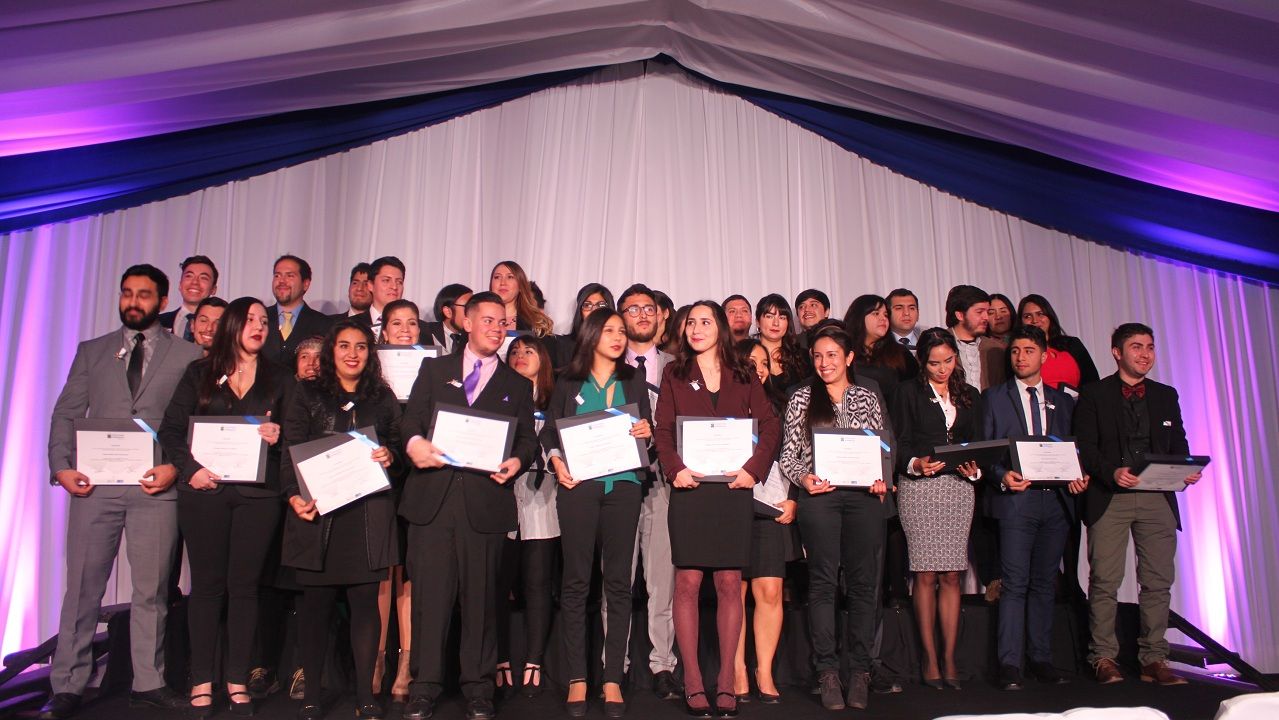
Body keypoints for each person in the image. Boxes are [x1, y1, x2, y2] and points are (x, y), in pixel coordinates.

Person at [40, 265, 202, 720]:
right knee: (82, 589)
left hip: (155, 487)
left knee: (152, 591)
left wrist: (176, 467)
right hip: (94, 488)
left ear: (163, 301)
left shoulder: (188, 354)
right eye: (127, 293)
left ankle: (148, 682)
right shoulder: (92, 351)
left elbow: (195, 421)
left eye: (144, 294)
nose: (133, 302)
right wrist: (61, 467)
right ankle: (67, 685)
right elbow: (65, 413)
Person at [398, 291, 540, 720]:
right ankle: (424, 685)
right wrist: (414, 443)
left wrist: (517, 461)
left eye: (503, 323)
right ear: (468, 323)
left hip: (485, 503)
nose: (497, 329)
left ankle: (479, 687)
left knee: (482, 601)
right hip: (433, 500)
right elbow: (411, 420)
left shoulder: (517, 384)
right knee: (430, 599)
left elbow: (527, 440)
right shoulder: (434, 369)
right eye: (489, 320)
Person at [158, 297, 292, 716]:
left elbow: (295, 436)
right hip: (205, 493)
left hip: (258, 497)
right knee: (206, 587)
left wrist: (278, 436)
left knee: (245, 588)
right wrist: (190, 470)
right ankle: (201, 680)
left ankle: (237, 680)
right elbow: (171, 430)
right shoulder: (199, 372)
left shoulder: (280, 377)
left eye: (264, 321)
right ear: (232, 324)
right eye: (250, 319)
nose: (259, 326)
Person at [653, 301, 781, 718]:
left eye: (705, 322)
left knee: (729, 582)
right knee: (687, 583)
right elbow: (663, 430)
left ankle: (726, 681)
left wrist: (752, 470)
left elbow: (771, 426)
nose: (696, 328)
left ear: (721, 328)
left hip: (732, 490)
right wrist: (674, 469)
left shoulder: (744, 373)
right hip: (690, 490)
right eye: (691, 322)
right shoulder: (674, 373)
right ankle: (693, 681)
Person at [280, 322, 404, 720]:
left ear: (370, 353)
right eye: (345, 346)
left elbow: (399, 445)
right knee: (315, 608)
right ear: (331, 351)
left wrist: (390, 456)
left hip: (367, 516)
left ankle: (365, 695)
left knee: (366, 606)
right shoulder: (308, 392)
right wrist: (293, 496)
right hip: (318, 514)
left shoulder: (382, 396)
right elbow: (290, 449)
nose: (353, 354)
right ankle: (313, 694)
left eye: (361, 347)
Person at [1074, 323, 1202, 686]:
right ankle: (1103, 657)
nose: (1145, 354)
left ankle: (1154, 658)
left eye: (1149, 347)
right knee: (1105, 580)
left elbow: (1178, 441)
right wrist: (1111, 472)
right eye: (1136, 347)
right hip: (1110, 497)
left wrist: (1185, 469)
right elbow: (1086, 446)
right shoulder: (1095, 394)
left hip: (1157, 498)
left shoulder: (1166, 394)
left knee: (1158, 580)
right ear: (1117, 352)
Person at [543, 309, 655, 718]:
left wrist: (646, 432)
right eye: (609, 330)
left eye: (622, 331)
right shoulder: (568, 380)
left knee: (619, 584)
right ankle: (577, 677)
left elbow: (647, 431)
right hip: (578, 488)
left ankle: (611, 679)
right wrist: (557, 461)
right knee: (575, 583)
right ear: (591, 334)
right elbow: (549, 431)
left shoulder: (634, 379)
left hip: (623, 487)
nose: (618, 337)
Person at [779, 324, 893, 710]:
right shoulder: (801, 398)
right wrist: (804, 478)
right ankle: (827, 671)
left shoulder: (867, 397)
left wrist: (880, 478)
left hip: (863, 499)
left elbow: (881, 448)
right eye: (817, 356)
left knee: (862, 585)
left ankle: (859, 671)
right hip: (820, 499)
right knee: (823, 584)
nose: (824, 362)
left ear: (849, 358)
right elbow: (788, 455)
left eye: (832, 355)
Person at [982, 325, 1087, 690]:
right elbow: (986, 450)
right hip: (1017, 500)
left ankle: (1040, 659)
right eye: (1015, 351)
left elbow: (1074, 449)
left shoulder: (1065, 400)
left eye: (1028, 351)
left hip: (1056, 502)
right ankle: (1010, 664)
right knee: (1014, 583)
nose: (1020, 357)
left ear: (1044, 355)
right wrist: (1002, 475)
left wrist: (1079, 475)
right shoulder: (994, 397)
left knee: (1044, 583)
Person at [893, 328, 982, 691]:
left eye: (948, 361)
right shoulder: (907, 393)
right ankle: (929, 659)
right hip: (920, 489)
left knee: (952, 574)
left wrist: (975, 469)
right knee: (926, 574)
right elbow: (898, 443)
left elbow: (979, 442)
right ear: (922, 362)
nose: (942, 369)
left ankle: (949, 658)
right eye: (934, 363)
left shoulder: (970, 394)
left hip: (958, 490)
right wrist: (915, 464)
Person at [614, 284, 682, 700]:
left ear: (660, 316)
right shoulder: (605, 363)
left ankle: (663, 665)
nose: (641, 314)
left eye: (648, 308)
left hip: (662, 483)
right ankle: (614, 666)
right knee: (617, 581)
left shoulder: (678, 366)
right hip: (617, 483)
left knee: (662, 581)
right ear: (619, 317)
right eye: (632, 308)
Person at [731, 338, 797, 705]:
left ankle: (765, 670)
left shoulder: (784, 406)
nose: (758, 369)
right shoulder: (719, 405)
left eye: (764, 363)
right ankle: (738, 668)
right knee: (734, 592)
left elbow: (799, 455)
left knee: (770, 591)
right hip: (731, 504)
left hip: (772, 504)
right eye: (750, 362)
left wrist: (795, 498)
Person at [494, 336, 558, 699]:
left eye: (528, 351)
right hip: (502, 496)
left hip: (542, 497)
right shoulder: (498, 397)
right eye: (514, 351)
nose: (520, 355)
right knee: (499, 583)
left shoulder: (555, 400)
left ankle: (535, 659)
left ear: (543, 360)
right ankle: (500, 657)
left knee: (538, 582)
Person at [371, 299, 421, 702]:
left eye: (412, 324)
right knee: (382, 570)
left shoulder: (435, 373)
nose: (405, 330)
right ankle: (377, 658)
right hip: (377, 481)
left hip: (418, 481)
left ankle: (406, 661)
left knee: (409, 571)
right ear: (383, 332)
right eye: (397, 324)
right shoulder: (370, 379)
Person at [1015, 294, 1100, 391]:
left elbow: (1093, 382)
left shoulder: (1072, 344)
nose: (1035, 320)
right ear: (1021, 321)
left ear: (1049, 316)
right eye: (1027, 316)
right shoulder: (1016, 352)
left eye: (1040, 314)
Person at [262, 255, 333, 365]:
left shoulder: (324, 325)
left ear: (305, 284)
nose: (281, 281)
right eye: (277, 275)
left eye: (290, 276)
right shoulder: (259, 320)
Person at [845, 294, 919, 400]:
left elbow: (915, 391)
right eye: (876, 313)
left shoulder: (900, 353)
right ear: (859, 317)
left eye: (885, 315)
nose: (883, 319)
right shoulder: (843, 351)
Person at [944, 285, 1005, 391]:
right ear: (960, 315)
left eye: (987, 312)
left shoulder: (996, 349)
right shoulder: (937, 343)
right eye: (979, 312)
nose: (986, 317)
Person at [753, 293, 810, 394]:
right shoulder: (746, 356)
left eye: (782, 318)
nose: (776, 323)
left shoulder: (803, 357)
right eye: (769, 316)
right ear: (758, 322)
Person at [159, 255, 219, 341]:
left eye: (203, 278)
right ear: (180, 285)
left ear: (213, 289)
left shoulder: (226, 326)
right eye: (189, 276)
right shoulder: (157, 323)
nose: (195, 282)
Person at [489, 260, 554, 337]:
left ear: (520, 285)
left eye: (510, 277)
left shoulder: (535, 323)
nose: (503, 283)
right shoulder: (479, 319)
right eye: (497, 277)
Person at [555, 283, 614, 367]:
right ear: (580, 312)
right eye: (587, 305)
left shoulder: (617, 344)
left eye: (600, 305)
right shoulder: (563, 346)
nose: (594, 310)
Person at [353, 257, 407, 339]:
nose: (394, 287)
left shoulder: (419, 329)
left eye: (399, 282)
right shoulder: (351, 325)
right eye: (386, 280)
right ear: (370, 285)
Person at [424, 283, 473, 353]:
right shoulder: (425, 333)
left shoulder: (475, 338)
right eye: (467, 307)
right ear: (448, 312)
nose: (472, 312)